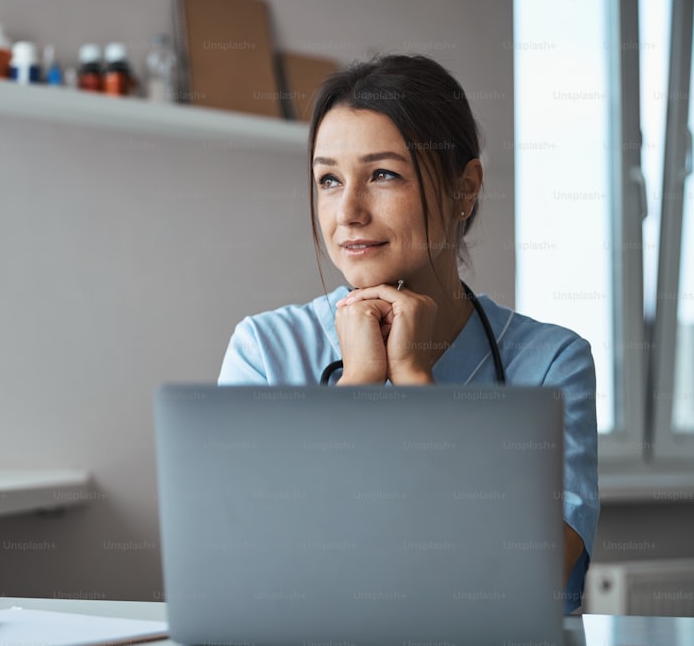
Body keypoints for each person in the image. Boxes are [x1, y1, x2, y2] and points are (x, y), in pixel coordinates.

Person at [217, 54, 599, 613]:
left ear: (464, 189)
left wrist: (417, 383)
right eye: (328, 179)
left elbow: (533, 571)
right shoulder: (266, 351)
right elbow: (244, 568)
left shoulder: (549, 361)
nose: (347, 211)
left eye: (383, 175)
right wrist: (362, 383)